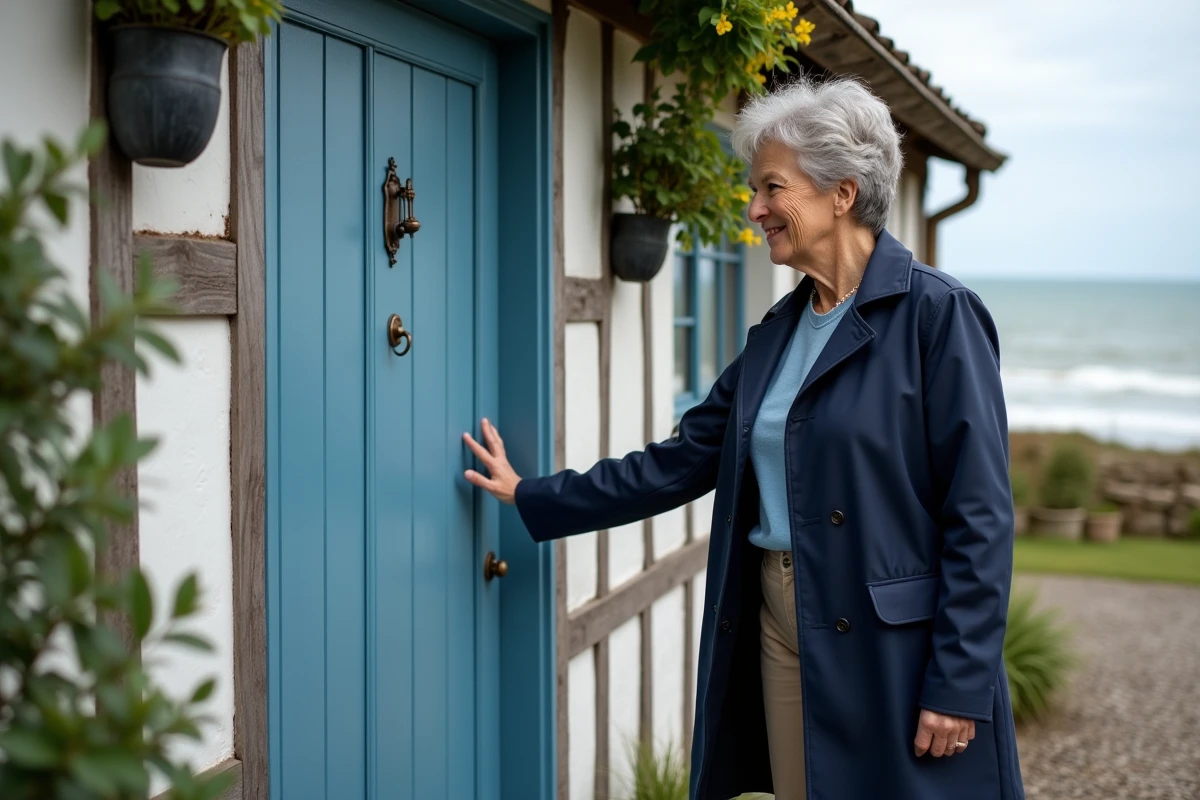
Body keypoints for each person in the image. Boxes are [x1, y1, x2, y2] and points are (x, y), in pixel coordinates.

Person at [463, 77, 1023, 800]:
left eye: (772, 188)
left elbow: (980, 514)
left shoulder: (937, 315)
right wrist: (534, 494)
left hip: (895, 639)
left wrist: (958, 680)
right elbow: (676, 462)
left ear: (842, 192)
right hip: (780, 617)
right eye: (756, 190)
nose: (755, 209)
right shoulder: (777, 335)